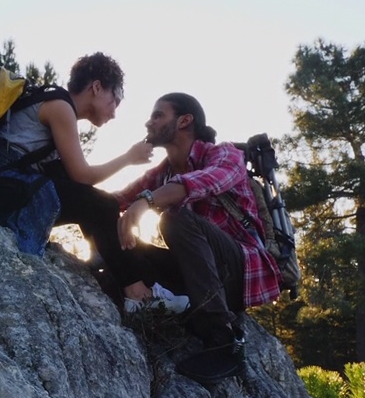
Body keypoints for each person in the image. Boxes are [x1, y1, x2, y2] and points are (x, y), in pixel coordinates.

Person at [114, 92, 281, 378]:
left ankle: (224, 339)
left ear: (184, 120)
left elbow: (204, 181)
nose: (148, 123)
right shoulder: (162, 173)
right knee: (130, 249)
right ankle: (161, 306)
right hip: (198, 273)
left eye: (158, 115)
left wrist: (147, 201)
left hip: (238, 270)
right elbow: (116, 199)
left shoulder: (224, 154)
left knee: (176, 219)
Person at [0, 53, 154, 281]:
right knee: (103, 204)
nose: (114, 112)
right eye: (114, 100)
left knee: (91, 196)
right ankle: (134, 288)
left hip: (2, 186)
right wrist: (128, 158)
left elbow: (74, 182)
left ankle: (103, 254)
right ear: (97, 87)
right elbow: (83, 176)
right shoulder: (59, 107)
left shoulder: (55, 104)